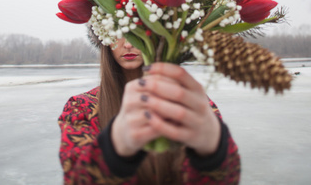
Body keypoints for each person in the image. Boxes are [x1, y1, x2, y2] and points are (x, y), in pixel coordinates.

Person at [58, 38, 240, 184]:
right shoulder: (81, 107)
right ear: (103, 39)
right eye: (118, 33)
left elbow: (225, 178)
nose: (128, 44)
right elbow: (76, 176)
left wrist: (213, 153)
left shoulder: (192, 106)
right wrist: (114, 148)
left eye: (137, 34)